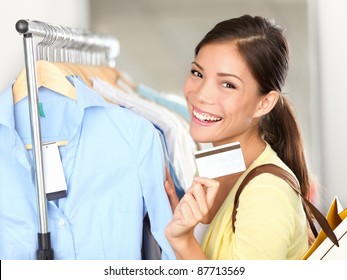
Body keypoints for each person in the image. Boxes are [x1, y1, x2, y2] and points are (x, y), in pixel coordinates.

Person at [164, 14, 314, 260]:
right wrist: (182, 221)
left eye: (228, 85)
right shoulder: (213, 165)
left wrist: (183, 240)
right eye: (197, 73)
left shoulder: (267, 195)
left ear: (264, 103)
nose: (201, 95)